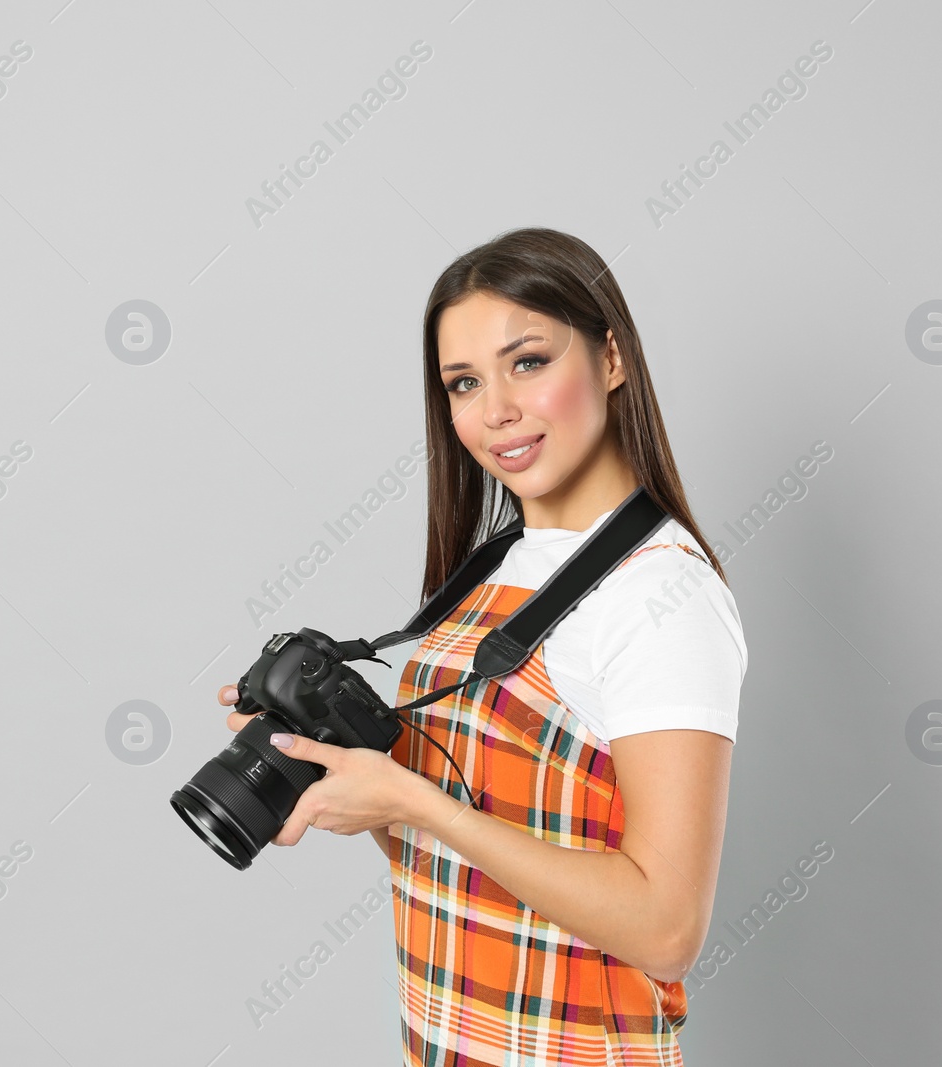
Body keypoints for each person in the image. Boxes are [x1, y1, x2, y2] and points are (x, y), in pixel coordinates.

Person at [219, 226, 746, 1066]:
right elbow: (462, 849)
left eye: (528, 362)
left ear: (612, 360)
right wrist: (343, 773)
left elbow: (667, 928)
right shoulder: (490, 567)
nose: (494, 408)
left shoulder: (661, 596)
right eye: (464, 382)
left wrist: (415, 801)